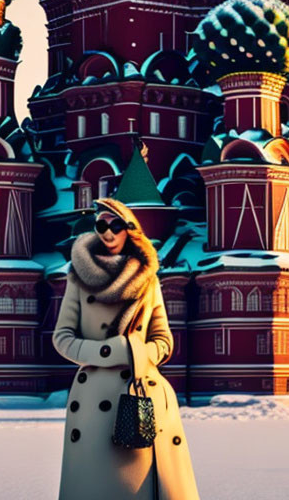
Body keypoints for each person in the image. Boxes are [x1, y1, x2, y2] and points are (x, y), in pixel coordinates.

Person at [53, 198, 199, 500]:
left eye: (116, 225)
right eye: (101, 225)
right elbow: (62, 338)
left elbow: (163, 340)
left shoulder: (148, 281)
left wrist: (136, 352)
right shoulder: (78, 279)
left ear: (130, 231)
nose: (108, 232)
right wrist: (106, 352)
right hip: (94, 400)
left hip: (140, 393)